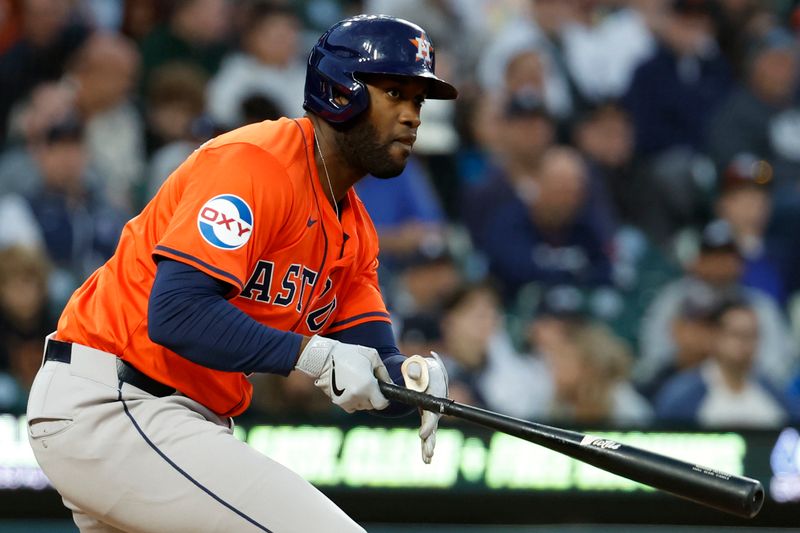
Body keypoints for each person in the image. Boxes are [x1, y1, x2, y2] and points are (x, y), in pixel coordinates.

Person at [26, 15, 453, 533]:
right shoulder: (254, 164)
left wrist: (411, 384)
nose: (412, 116)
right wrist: (313, 355)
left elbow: (370, 364)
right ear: (342, 91)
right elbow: (176, 313)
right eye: (395, 93)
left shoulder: (356, 230)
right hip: (117, 399)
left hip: (174, 421)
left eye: (418, 102)